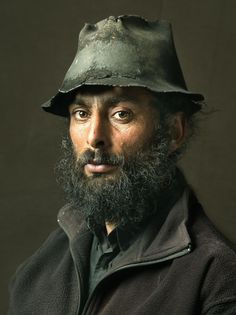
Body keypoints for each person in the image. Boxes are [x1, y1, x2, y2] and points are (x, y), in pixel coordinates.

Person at [8, 15, 236, 315]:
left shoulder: (216, 278)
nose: (94, 138)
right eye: (81, 113)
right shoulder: (41, 267)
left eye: (121, 114)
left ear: (173, 132)